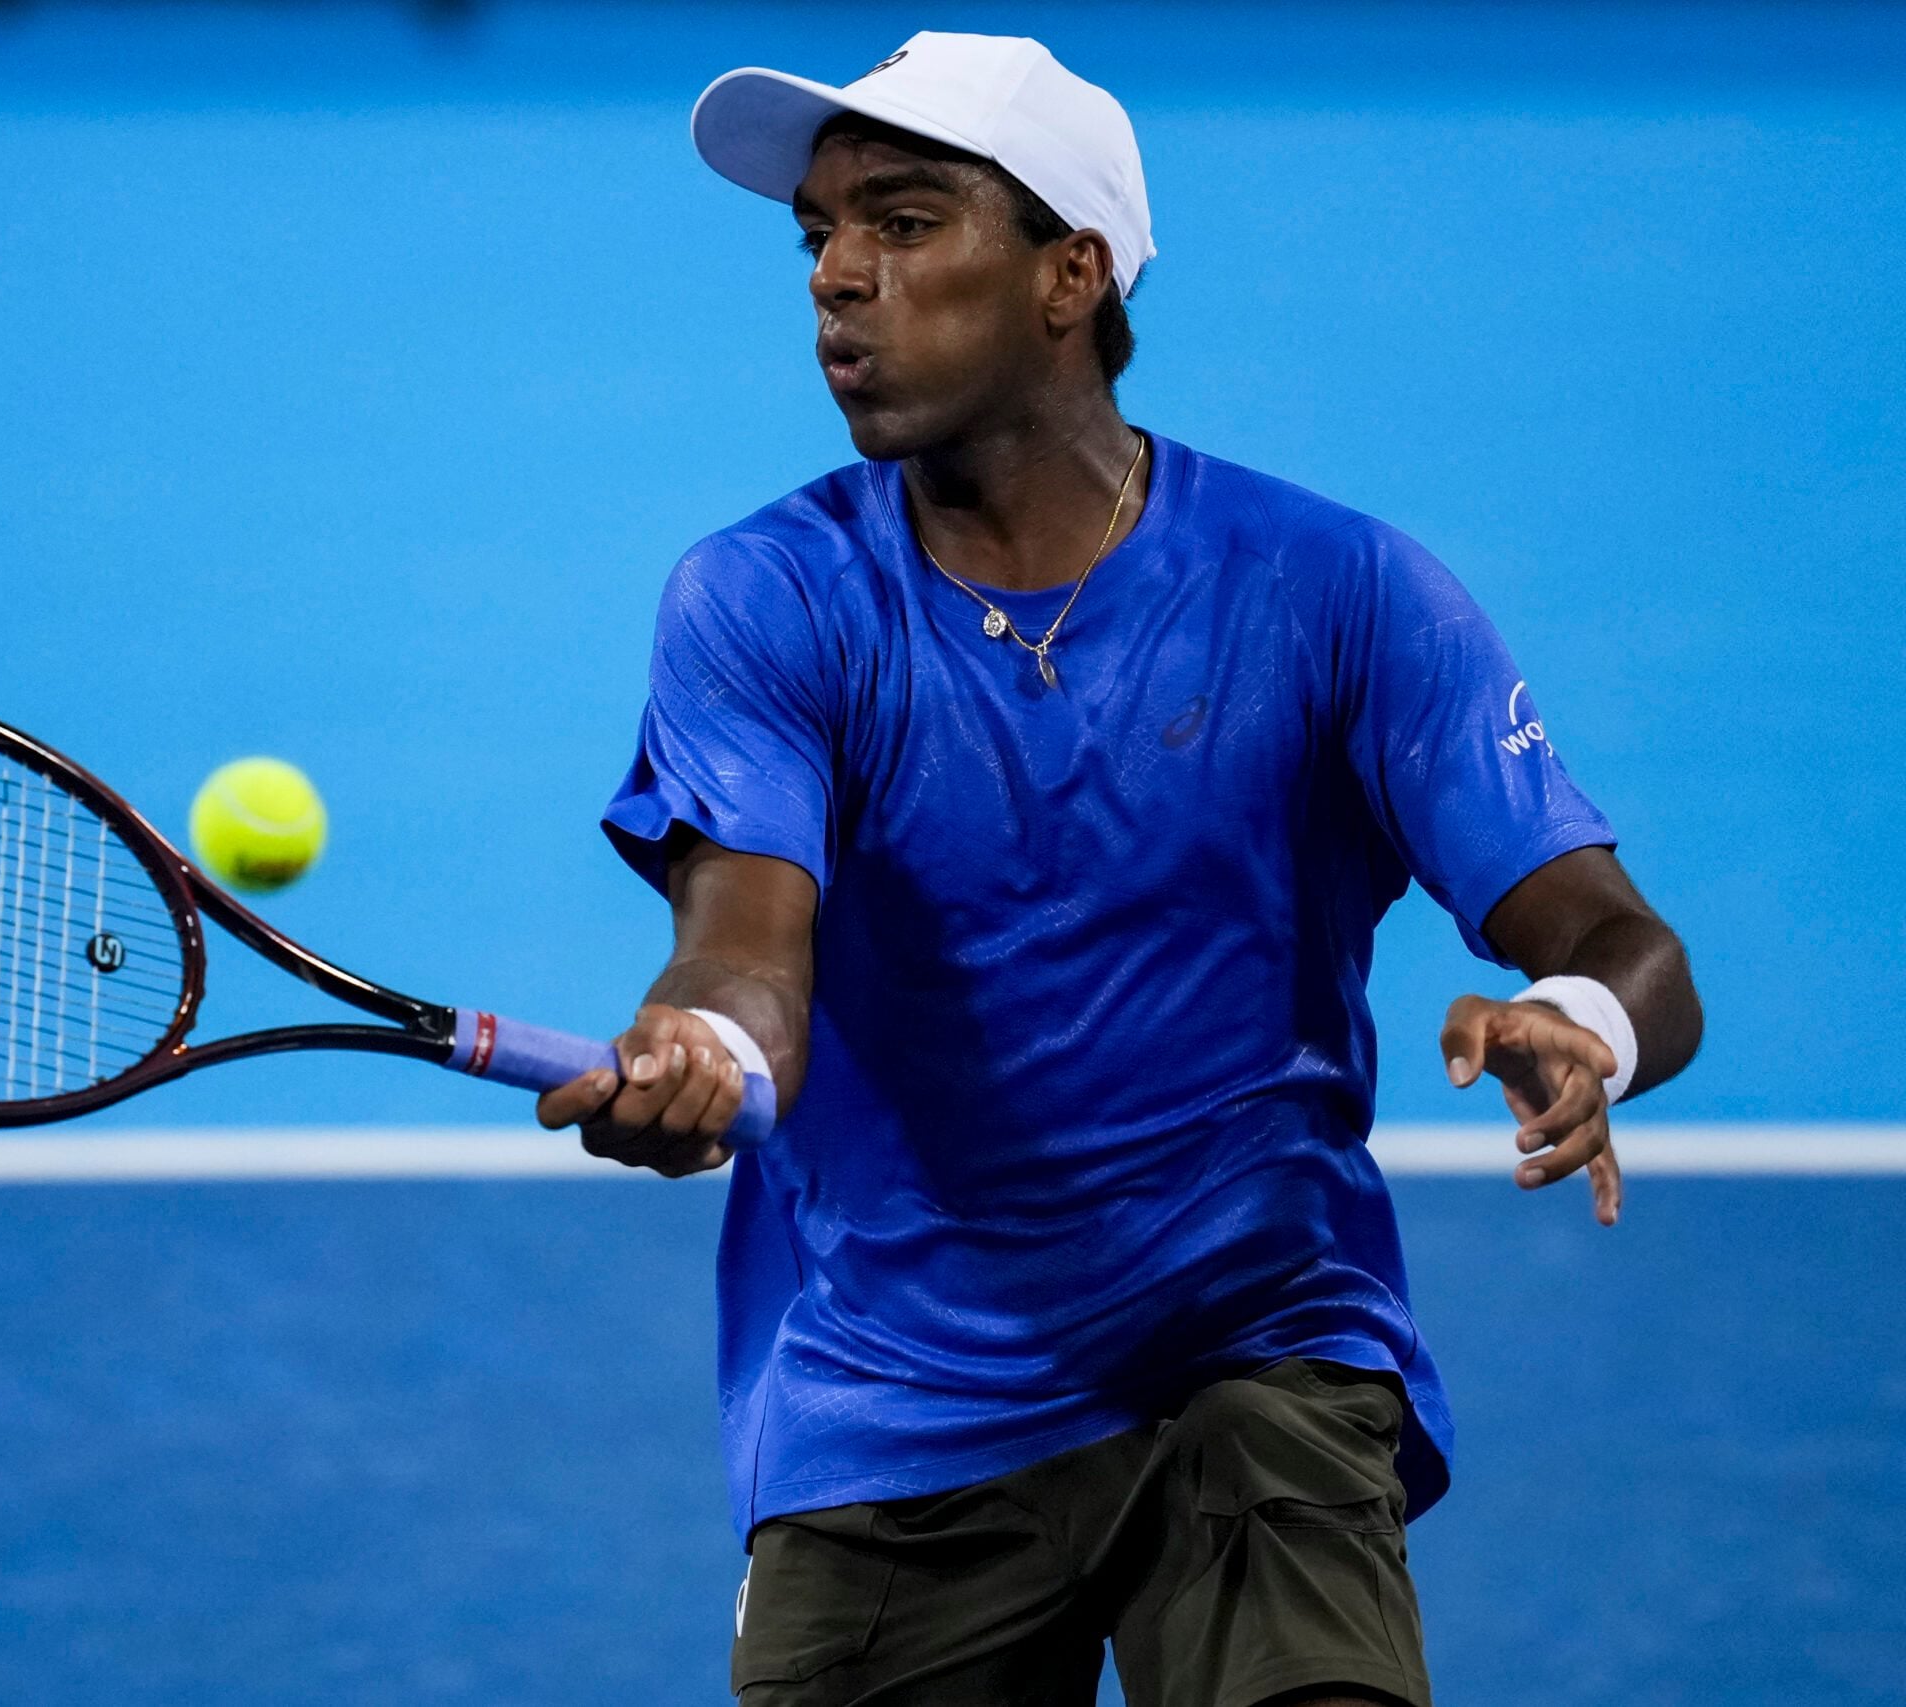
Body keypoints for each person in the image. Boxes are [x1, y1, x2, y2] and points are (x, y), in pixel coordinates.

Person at [534, 30, 1704, 1707]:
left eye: (907, 223)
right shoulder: (765, 599)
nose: (839, 282)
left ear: (1070, 273)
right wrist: (701, 1054)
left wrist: (1584, 1016)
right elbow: (744, 954)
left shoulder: (1337, 593)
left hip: (1258, 1353)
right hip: (900, 1395)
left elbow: (1619, 938)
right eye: (817, 237)